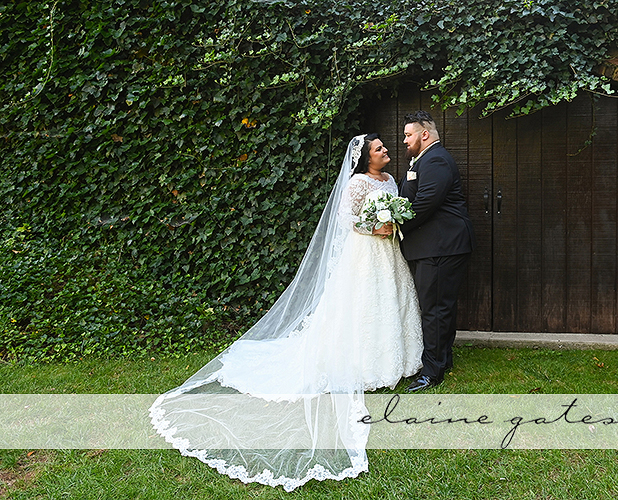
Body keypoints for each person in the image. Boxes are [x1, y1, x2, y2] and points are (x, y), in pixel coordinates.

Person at [150, 134, 422, 491]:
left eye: (385, 148)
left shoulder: (389, 180)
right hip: (364, 253)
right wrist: (374, 226)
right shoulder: (357, 183)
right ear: (365, 157)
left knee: (391, 300)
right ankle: (364, 364)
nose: (386, 151)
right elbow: (346, 219)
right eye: (379, 149)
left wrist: (392, 224)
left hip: (388, 254)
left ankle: (396, 360)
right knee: (362, 307)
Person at [399, 110, 475, 392]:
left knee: (434, 310)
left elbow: (424, 204)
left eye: (409, 135)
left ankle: (431, 372)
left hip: (442, 245)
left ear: (424, 134)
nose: (405, 140)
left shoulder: (436, 160)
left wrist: (394, 224)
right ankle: (442, 360)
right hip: (435, 246)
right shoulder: (424, 159)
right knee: (439, 307)